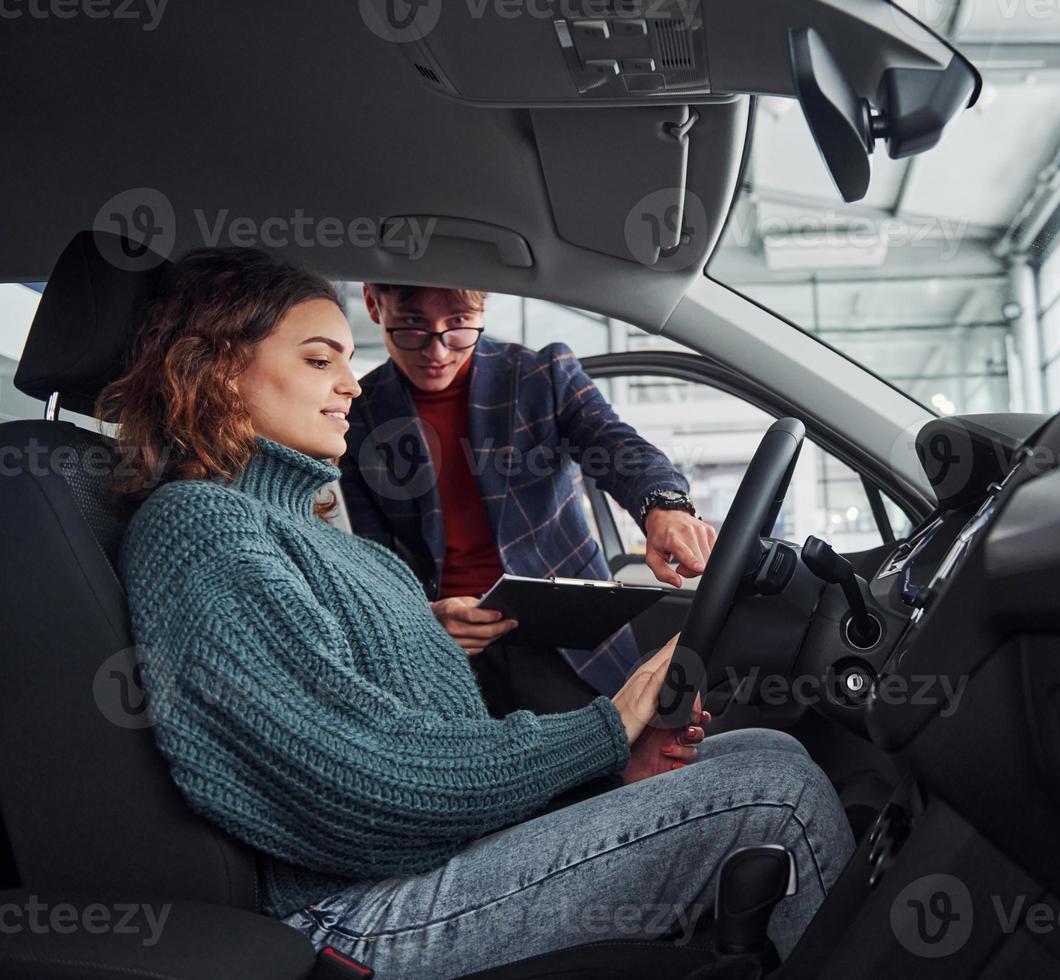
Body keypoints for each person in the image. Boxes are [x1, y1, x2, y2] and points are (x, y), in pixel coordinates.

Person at [99, 247, 853, 979]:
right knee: (774, 799)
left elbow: (616, 448)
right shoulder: (202, 528)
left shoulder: (319, 532)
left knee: (770, 752)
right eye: (320, 360)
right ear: (222, 369)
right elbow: (365, 777)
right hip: (357, 913)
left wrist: (608, 768)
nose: (352, 387)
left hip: (438, 836)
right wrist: (606, 726)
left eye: (458, 323)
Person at [337, 282, 718, 715]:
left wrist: (663, 505)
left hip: (566, 632)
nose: (438, 351)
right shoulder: (357, 413)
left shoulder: (541, 375)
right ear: (373, 304)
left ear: (483, 308)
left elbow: (616, 446)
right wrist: (424, 617)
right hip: (448, 647)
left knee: (616, 770)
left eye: (458, 325)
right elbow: (372, 558)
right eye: (412, 327)